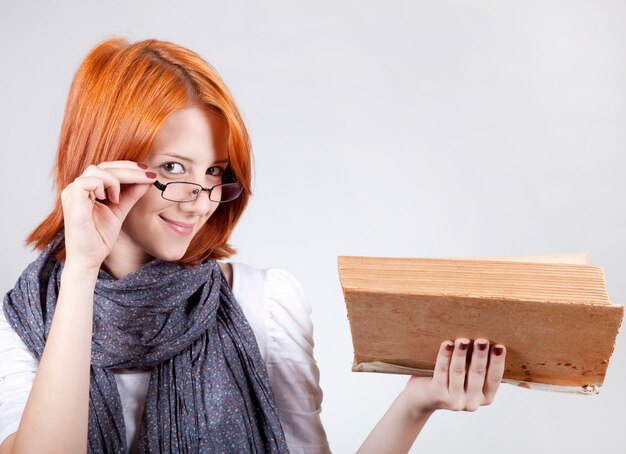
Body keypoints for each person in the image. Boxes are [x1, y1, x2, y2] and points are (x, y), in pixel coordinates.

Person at [0, 37, 507, 454]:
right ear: (106, 159)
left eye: (214, 172)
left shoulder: (264, 305)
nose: (200, 202)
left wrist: (415, 405)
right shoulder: (28, 322)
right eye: (174, 168)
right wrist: (84, 266)